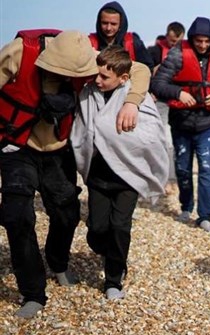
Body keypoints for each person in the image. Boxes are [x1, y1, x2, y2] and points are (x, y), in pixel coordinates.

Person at [0, 29, 148, 318]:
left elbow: (138, 68)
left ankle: (57, 262)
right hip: (17, 146)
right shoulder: (20, 51)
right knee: (18, 215)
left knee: (67, 213)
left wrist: (132, 102)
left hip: (57, 150)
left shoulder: (86, 56)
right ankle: (32, 293)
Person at [71, 46, 169, 300]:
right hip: (98, 175)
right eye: (97, 75)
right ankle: (111, 252)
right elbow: (81, 130)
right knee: (97, 230)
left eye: (105, 77)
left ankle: (114, 278)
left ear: (123, 79)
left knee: (120, 225)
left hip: (128, 175)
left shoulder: (137, 98)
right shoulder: (88, 94)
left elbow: (152, 135)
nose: (98, 80)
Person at [151, 17, 210, 233]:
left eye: (207, 41)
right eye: (199, 41)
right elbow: (158, 83)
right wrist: (178, 92)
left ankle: (205, 216)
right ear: (192, 39)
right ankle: (186, 206)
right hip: (181, 122)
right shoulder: (178, 53)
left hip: (207, 123)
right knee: (183, 168)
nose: (203, 45)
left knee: (206, 168)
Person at [148, 21, 185, 192]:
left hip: (182, 103)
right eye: (171, 42)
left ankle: (175, 177)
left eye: (177, 42)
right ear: (166, 37)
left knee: (179, 141)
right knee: (165, 140)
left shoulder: (188, 53)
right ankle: (166, 177)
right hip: (161, 101)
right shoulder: (153, 52)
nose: (174, 45)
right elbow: (143, 73)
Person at [88, 1, 154, 71]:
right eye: (104, 23)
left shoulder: (134, 43)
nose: (108, 28)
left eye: (113, 24)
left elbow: (147, 68)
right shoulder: (89, 43)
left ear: (121, 24)